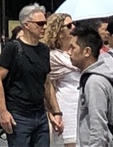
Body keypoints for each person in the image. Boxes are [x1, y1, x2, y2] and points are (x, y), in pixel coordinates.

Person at [0, 3, 63, 147]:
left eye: (45, 23)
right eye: (40, 24)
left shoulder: (44, 50)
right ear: (26, 25)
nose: (44, 27)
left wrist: (56, 112)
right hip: (19, 115)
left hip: (40, 114)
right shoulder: (13, 48)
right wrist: (3, 112)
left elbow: (46, 83)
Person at [67, 24, 113, 147]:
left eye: (73, 48)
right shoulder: (94, 77)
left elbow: (98, 127)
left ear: (87, 51)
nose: (69, 53)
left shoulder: (95, 82)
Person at [42, 14, 78, 147]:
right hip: (66, 105)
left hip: (82, 104)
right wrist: (51, 111)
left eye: (73, 24)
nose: (73, 27)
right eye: (69, 25)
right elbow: (47, 85)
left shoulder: (79, 53)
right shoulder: (52, 56)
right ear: (58, 31)